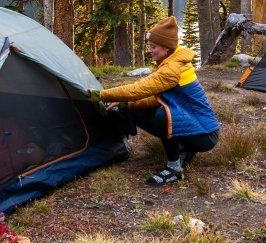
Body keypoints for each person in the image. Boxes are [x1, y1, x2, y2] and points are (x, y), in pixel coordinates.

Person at [93, 16, 221, 185]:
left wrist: (101, 94)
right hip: (199, 127)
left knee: (163, 115)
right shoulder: (173, 61)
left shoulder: (171, 70)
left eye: (153, 47)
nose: (150, 50)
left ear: (166, 47)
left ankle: (174, 168)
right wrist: (125, 104)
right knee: (137, 108)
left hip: (205, 135)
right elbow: (157, 99)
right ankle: (185, 148)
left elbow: (137, 90)